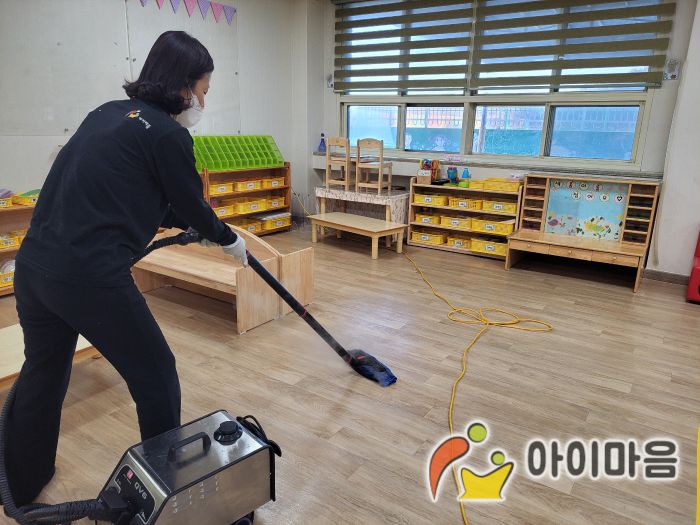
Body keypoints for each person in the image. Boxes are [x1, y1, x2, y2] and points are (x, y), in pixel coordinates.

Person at [4, 31, 246, 506]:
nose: (202, 101)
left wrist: (196, 224)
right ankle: (163, 493)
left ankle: (19, 482)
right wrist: (226, 237)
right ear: (183, 86)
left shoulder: (106, 114)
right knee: (156, 376)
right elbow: (191, 204)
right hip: (90, 278)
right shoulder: (170, 136)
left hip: (33, 271)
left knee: (43, 374)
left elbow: (143, 195)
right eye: (203, 90)